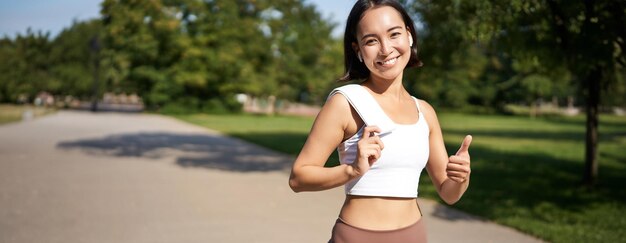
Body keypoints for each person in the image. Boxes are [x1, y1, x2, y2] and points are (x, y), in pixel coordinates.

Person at [288, 0, 472, 242]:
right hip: (357, 236)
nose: (386, 49)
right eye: (371, 41)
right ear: (358, 51)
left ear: (409, 36)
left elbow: (449, 193)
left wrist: (461, 177)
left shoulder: (425, 112)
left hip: (413, 235)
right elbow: (298, 178)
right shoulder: (346, 103)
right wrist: (351, 170)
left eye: (394, 34)